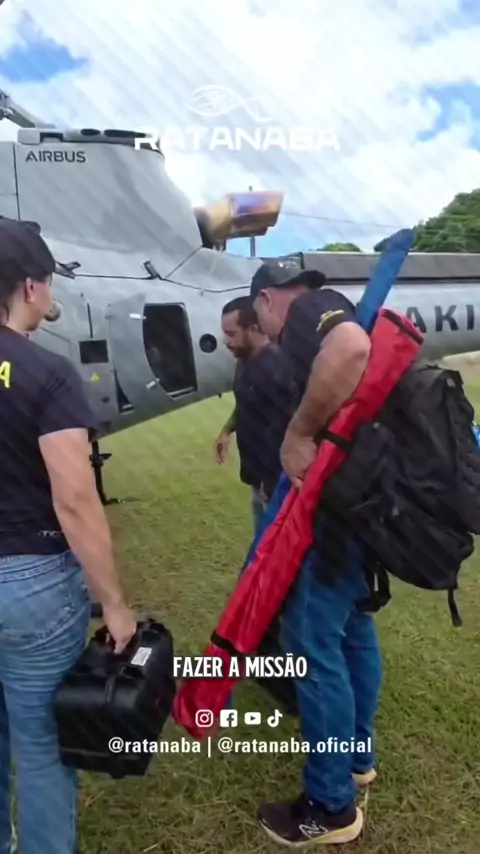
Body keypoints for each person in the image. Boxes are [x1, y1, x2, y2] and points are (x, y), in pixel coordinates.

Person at [0, 218, 137, 854]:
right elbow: (75, 499)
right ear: (30, 287)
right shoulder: (46, 372)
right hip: (30, 582)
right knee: (41, 745)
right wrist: (114, 603)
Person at [250, 260, 383, 847]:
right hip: (361, 511)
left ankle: (330, 805)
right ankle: (357, 757)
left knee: (311, 648)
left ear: (266, 300)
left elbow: (351, 348)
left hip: (329, 524)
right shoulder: (333, 304)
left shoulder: (309, 312)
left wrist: (298, 432)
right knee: (353, 632)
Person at [214, 296, 296, 532]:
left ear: (253, 328)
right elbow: (246, 403)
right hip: (257, 479)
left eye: (231, 334)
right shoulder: (244, 360)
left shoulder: (277, 370)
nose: (225, 341)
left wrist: (271, 483)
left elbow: (286, 431)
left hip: (274, 483)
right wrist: (227, 430)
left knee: (275, 543)